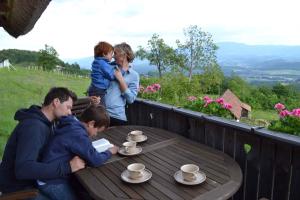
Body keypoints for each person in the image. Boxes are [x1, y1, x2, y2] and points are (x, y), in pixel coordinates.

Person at [0, 87, 85, 198]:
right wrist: (68, 167)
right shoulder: (34, 127)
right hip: (19, 190)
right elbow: (23, 169)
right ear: (56, 102)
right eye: (68, 107)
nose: (70, 113)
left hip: (32, 181)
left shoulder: (48, 122)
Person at [37, 105, 119, 200]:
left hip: (48, 175)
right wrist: (109, 151)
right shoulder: (78, 134)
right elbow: (95, 160)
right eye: (97, 131)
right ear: (91, 124)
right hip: (52, 182)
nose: (95, 134)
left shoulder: (72, 124)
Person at [105, 42, 140, 126]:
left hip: (117, 116)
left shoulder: (134, 75)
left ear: (124, 55)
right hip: (100, 114)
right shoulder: (107, 67)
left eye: (115, 53)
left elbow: (131, 99)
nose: (113, 56)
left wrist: (121, 80)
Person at [87, 41, 117, 106]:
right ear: (104, 54)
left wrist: (114, 63)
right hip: (99, 90)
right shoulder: (102, 64)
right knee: (101, 109)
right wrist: (121, 71)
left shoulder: (98, 61)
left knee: (95, 107)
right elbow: (111, 75)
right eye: (111, 54)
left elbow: (106, 66)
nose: (112, 56)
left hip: (94, 88)